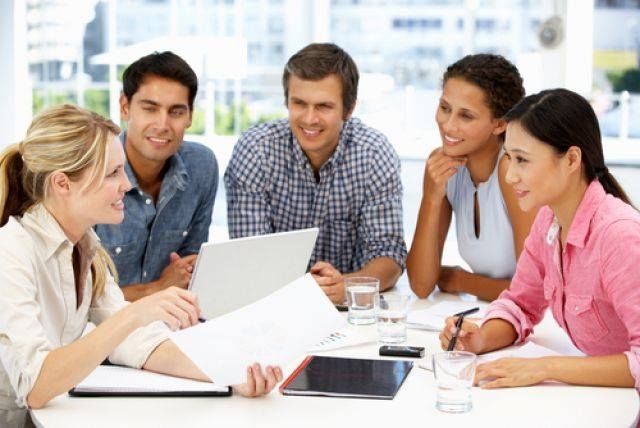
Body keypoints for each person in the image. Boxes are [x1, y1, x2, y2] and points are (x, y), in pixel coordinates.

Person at [0, 105, 281, 428]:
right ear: (62, 184)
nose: (127, 185)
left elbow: (138, 343)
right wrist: (135, 313)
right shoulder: (11, 249)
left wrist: (229, 372)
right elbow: (35, 386)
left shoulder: (85, 245)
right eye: (112, 174)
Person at [438, 88, 640, 390]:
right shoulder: (549, 220)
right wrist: (479, 338)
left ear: (572, 159)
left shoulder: (620, 236)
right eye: (509, 158)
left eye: (522, 160)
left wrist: (544, 368)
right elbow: (519, 304)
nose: (510, 176)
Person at [224, 43, 406, 304]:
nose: (309, 119)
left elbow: (390, 255)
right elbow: (250, 256)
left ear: (349, 108)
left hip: (347, 307)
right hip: (273, 305)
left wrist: (346, 286)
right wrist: (304, 293)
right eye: (299, 103)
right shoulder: (256, 151)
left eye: (323, 106)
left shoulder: (374, 154)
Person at [407, 54, 537, 301]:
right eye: (445, 108)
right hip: (494, 314)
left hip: (545, 324)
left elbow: (532, 291)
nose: (448, 125)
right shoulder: (443, 166)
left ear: (499, 125)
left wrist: (461, 280)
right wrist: (431, 197)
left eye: (466, 116)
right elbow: (421, 285)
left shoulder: (512, 171)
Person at [95, 51, 218, 302]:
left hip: (171, 321)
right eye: (150, 109)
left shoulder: (201, 166)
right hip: (100, 331)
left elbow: (192, 272)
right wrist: (157, 288)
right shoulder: (92, 173)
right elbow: (78, 301)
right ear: (125, 107)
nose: (163, 124)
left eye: (176, 112)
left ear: (190, 116)